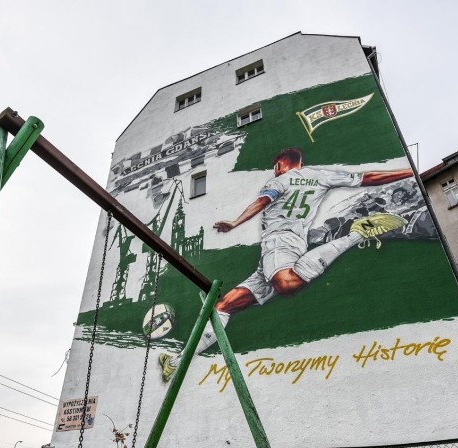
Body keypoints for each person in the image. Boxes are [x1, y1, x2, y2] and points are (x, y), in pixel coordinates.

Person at [158, 147, 412, 381]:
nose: (274, 169)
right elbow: (366, 177)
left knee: (287, 283)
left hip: (279, 242)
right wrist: (409, 170)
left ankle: (357, 234)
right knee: (223, 307)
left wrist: (235, 222)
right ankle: (177, 362)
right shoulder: (321, 175)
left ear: (281, 164)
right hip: (284, 249)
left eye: (274, 165)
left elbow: (262, 202)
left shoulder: (278, 180)